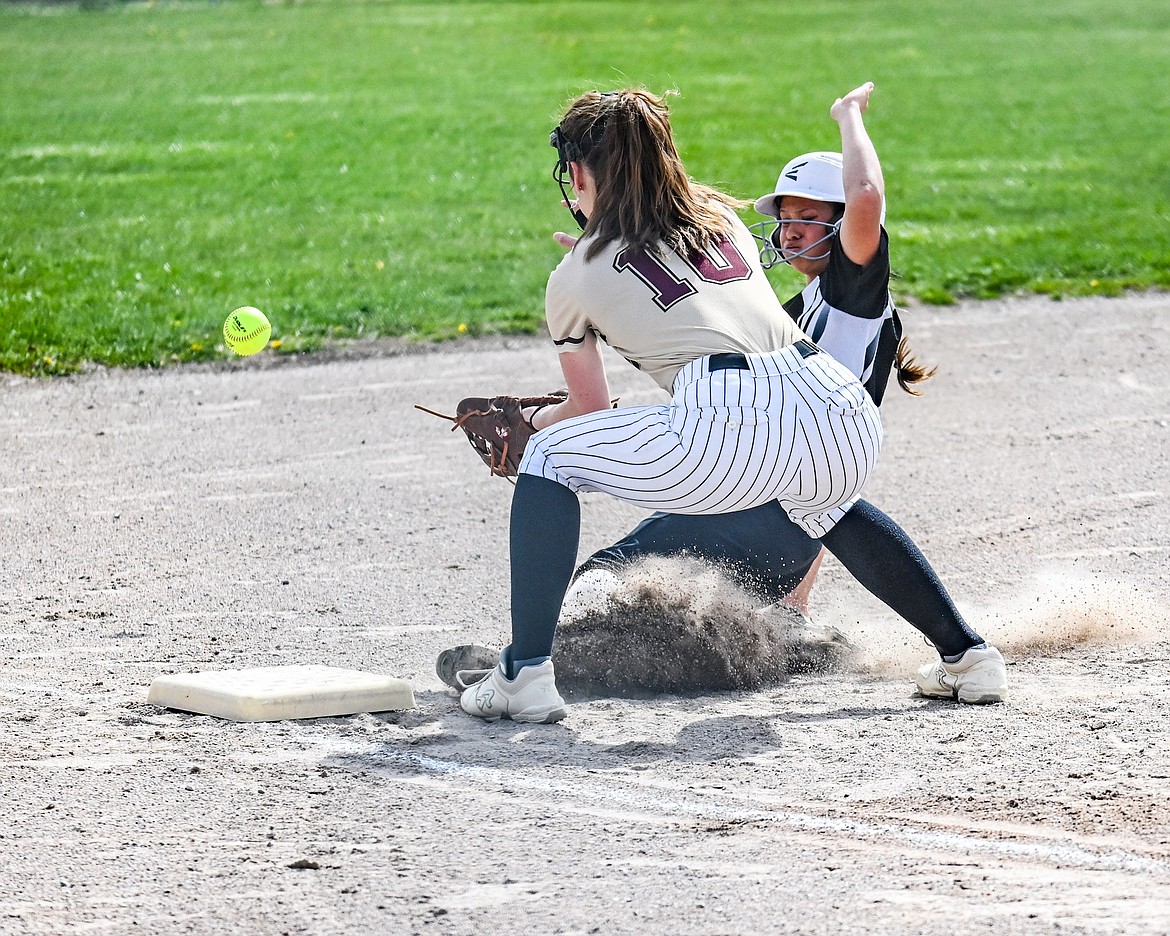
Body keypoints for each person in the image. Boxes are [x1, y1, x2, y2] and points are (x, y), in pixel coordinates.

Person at [457, 85, 1007, 725]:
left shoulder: (574, 274)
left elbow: (590, 404)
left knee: (551, 457)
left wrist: (530, 425)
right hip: (836, 408)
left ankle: (524, 674)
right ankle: (968, 656)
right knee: (825, 506)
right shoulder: (721, 220)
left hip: (725, 420)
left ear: (578, 174)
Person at [574, 82, 934, 615]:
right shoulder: (786, 316)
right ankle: (787, 624)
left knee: (609, 571)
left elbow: (865, 196)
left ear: (844, 225)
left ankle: (544, 659)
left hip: (761, 498)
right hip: (775, 491)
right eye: (786, 217)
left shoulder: (853, 291)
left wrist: (849, 116)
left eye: (809, 217)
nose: (790, 232)